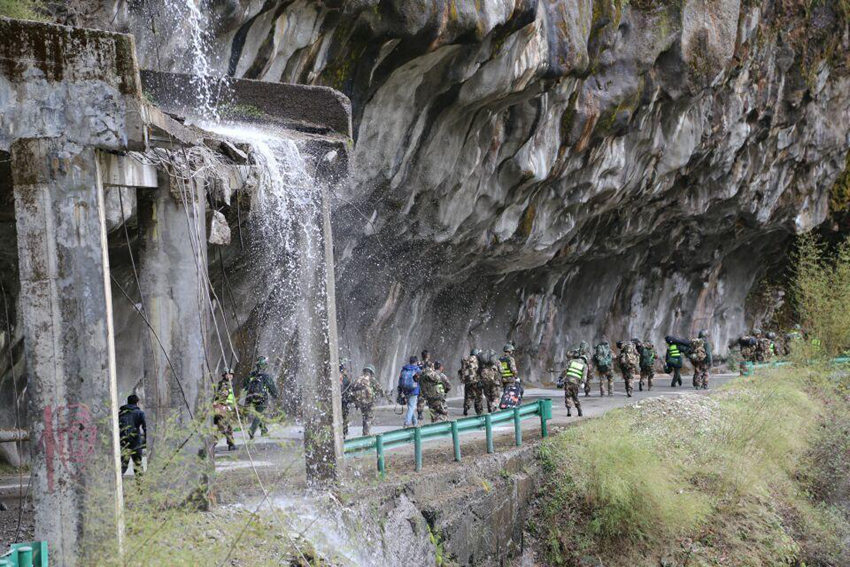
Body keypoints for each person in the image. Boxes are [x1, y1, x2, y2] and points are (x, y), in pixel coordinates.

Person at [243, 356, 279, 439]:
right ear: (265, 365)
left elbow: (245, 385)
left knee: (258, 413)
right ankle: (252, 430)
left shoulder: (251, 375)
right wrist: (275, 395)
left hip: (251, 397)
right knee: (259, 414)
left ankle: (264, 430)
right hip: (262, 398)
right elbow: (271, 387)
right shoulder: (266, 376)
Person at [119, 394, 147, 476]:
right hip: (136, 442)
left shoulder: (121, 413)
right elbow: (145, 428)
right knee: (138, 465)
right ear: (137, 403)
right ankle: (140, 487)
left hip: (123, 442)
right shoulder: (140, 413)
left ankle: (116, 485)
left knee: (122, 465)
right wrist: (146, 441)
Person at [351, 365, 383, 436]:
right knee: (369, 418)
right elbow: (380, 389)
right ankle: (366, 434)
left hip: (360, 403)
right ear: (371, 372)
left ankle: (364, 432)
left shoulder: (358, 379)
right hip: (369, 402)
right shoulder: (371, 379)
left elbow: (352, 389)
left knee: (364, 417)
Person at [213, 369, 237, 450]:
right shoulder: (225, 385)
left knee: (224, 427)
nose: (230, 376)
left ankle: (231, 444)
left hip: (223, 409)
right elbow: (221, 397)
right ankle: (213, 443)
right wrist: (227, 406)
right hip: (222, 409)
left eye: (231, 374)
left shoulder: (228, 384)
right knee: (224, 427)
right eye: (227, 374)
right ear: (224, 375)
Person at [561, 350, 587, 417]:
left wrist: (560, 378)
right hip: (576, 383)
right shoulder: (584, 365)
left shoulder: (571, 361)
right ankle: (579, 411)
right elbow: (584, 376)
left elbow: (565, 371)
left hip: (568, 381)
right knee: (575, 396)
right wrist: (583, 383)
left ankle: (569, 411)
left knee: (568, 396)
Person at [398, 356, 421, 427]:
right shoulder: (417, 369)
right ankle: (407, 422)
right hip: (414, 391)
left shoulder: (404, 369)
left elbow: (400, 380)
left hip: (405, 390)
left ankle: (415, 422)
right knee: (411, 407)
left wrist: (400, 391)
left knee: (411, 406)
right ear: (416, 362)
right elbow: (421, 379)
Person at [460, 349, 483, 416]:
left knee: (468, 396)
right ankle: (479, 411)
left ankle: (466, 406)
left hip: (467, 381)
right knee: (478, 396)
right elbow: (480, 370)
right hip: (476, 381)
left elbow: (463, 370)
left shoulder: (466, 360)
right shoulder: (477, 360)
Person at [417, 350, 434, 422]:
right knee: (431, 399)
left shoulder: (419, 363)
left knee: (421, 399)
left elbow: (416, 372)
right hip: (429, 384)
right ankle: (432, 414)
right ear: (427, 355)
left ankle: (420, 413)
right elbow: (433, 373)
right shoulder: (430, 364)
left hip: (421, 383)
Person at [340, 360, 354, 437]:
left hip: (339, 401)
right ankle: (344, 432)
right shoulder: (344, 378)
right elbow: (349, 389)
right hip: (344, 401)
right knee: (344, 417)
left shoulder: (335, 377)